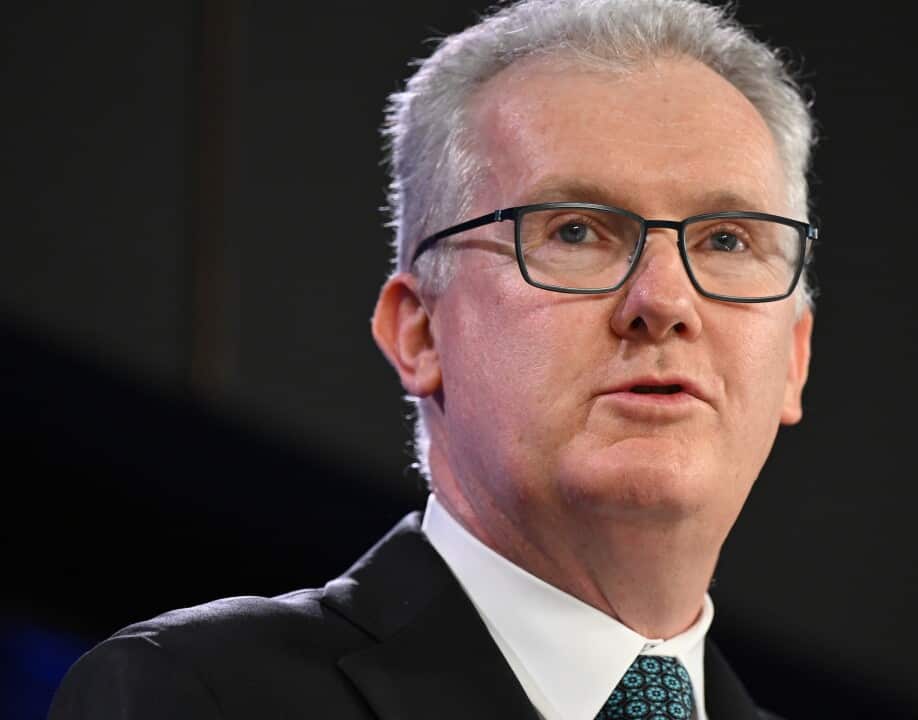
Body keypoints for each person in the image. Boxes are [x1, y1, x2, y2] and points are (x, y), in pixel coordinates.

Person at [49, 0, 817, 717]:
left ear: (792, 356)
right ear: (419, 333)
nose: (665, 301)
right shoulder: (196, 695)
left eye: (727, 240)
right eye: (575, 232)